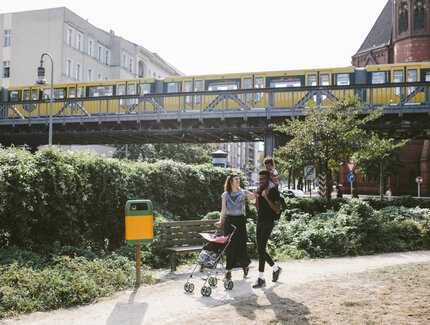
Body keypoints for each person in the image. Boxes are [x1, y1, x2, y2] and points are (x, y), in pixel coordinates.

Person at [215, 174, 255, 281]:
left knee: (241, 245)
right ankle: (228, 272)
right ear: (231, 182)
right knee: (230, 246)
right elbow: (223, 210)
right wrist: (220, 220)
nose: (238, 181)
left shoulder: (243, 192)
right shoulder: (225, 195)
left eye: (239, 179)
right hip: (230, 221)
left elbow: (255, 196)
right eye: (236, 179)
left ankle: (245, 266)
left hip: (240, 221)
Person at [252, 170, 282, 288]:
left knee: (261, 248)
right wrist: (258, 197)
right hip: (259, 220)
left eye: (263, 179)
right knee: (260, 249)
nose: (260, 181)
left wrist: (267, 198)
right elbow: (258, 209)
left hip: (269, 221)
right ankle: (276, 268)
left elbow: (277, 209)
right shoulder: (260, 191)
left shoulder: (274, 192)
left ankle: (261, 278)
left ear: (268, 179)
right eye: (259, 179)